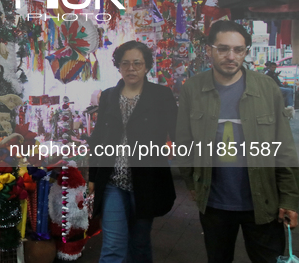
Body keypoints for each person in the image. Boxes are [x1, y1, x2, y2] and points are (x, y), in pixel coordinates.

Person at [175, 20, 299, 263]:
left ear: (245, 52)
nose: (230, 56)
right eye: (222, 48)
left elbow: (284, 147)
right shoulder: (193, 88)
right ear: (209, 49)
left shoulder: (266, 88)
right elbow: (184, 142)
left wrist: (289, 199)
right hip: (214, 204)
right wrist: (191, 181)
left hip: (263, 202)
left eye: (238, 50)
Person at [89, 41, 178, 263]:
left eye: (137, 63)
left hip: (146, 182)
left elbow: (178, 132)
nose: (131, 68)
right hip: (112, 182)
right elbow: (98, 139)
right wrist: (92, 177)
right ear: (118, 66)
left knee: (139, 243)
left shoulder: (161, 95)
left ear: (146, 66)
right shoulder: (108, 96)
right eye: (125, 63)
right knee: (112, 246)